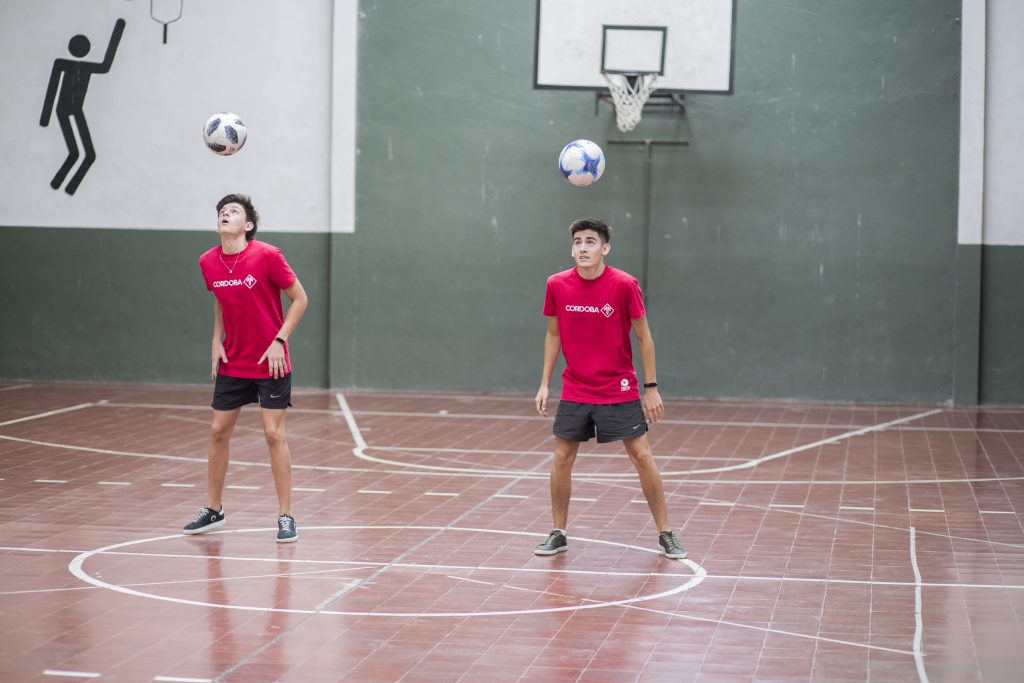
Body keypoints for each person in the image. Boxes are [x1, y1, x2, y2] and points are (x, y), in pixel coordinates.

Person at [534, 218, 686, 559]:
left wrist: (651, 387)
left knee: (642, 456)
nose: (582, 247)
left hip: (618, 388)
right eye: (577, 242)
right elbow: (553, 335)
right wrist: (544, 383)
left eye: (590, 241)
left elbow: (644, 337)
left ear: (605, 248)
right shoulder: (556, 284)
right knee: (561, 457)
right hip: (576, 387)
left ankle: (666, 533)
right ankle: (558, 532)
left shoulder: (624, 284)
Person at [183, 194, 308, 542]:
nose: (226, 214)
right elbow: (222, 301)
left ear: (247, 225)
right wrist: (216, 339)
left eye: (234, 211)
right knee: (218, 432)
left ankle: (286, 515)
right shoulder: (207, 261)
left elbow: (301, 299)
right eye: (222, 211)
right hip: (233, 360)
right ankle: (214, 509)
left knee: (273, 434)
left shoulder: (267, 256)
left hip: (271, 359)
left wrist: (279, 341)